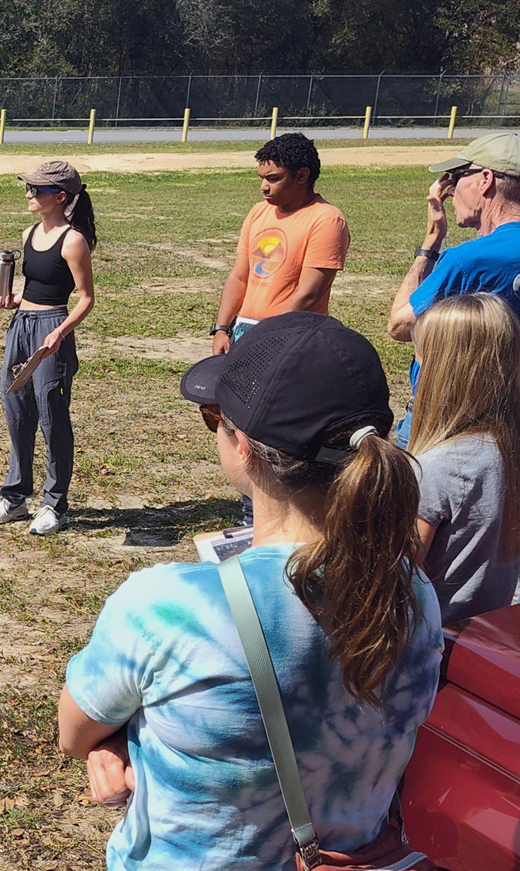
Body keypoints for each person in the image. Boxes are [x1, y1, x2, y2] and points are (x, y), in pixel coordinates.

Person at [62, 312, 441, 870]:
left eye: (212, 417)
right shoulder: (412, 595)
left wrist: (120, 740)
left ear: (243, 446)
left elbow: (75, 730)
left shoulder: (165, 607)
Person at [387, 132, 520, 446]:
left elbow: (400, 326)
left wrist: (432, 238)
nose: (450, 190)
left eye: (456, 177)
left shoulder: (468, 260)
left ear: (485, 180)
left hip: (442, 420)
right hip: (506, 418)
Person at [408, 293, 520, 626]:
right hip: (487, 634)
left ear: (441, 369)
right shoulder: (517, 453)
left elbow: (397, 581)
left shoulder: (437, 468)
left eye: (420, 354)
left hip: (433, 647)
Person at [0, 160, 98, 536]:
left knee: (52, 418)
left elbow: (85, 298)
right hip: (21, 327)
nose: (29, 194)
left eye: (37, 189)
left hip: (51, 331)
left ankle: (54, 504)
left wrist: (60, 332)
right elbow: (34, 288)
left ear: (60, 197)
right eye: (28, 188)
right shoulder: (28, 232)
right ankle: (14, 498)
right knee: (16, 409)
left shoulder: (73, 240)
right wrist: (13, 301)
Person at [210, 133, 348, 352]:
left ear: (302, 176)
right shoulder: (258, 212)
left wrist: (267, 336)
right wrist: (221, 329)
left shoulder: (327, 220)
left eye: (274, 178)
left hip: (292, 337)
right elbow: (239, 276)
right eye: (262, 178)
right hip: (246, 332)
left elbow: (309, 294)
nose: (264, 187)